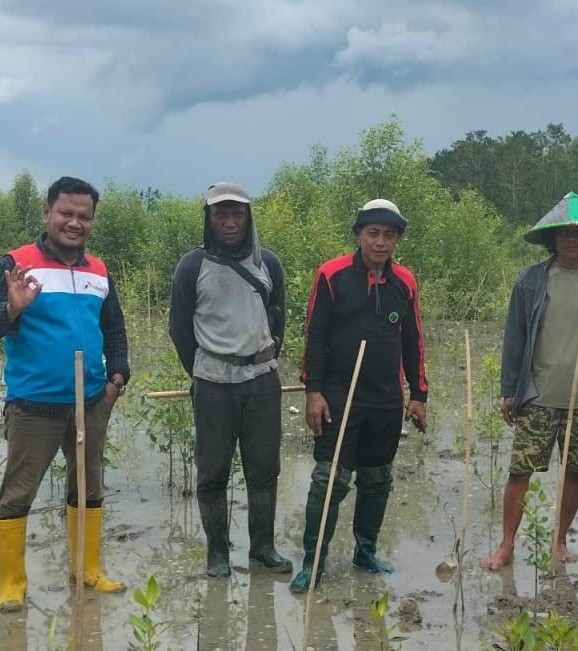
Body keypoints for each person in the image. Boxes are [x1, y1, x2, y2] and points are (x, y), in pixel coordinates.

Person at [0, 175, 130, 611]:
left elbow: (114, 331)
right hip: (34, 406)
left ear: (92, 222)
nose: (74, 223)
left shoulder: (99, 270)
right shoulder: (16, 265)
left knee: (89, 488)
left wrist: (117, 381)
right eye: (66, 213)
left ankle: (88, 571)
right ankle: (11, 584)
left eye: (84, 216)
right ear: (47, 213)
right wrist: (12, 307)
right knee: (18, 493)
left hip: (91, 402)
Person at [289, 198, 428, 592]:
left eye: (389, 235)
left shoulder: (405, 282)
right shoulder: (331, 275)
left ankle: (365, 552)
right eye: (373, 234)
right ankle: (312, 562)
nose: (380, 243)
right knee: (328, 479)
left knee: (377, 479)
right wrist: (313, 391)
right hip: (339, 395)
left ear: (397, 239)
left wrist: (418, 394)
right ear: (359, 235)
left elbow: (413, 340)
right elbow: (314, 336)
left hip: (385, 399)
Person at [481, 191, 578, 571]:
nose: (572, 240)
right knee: (520, 471)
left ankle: (559, 541)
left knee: (574, 469)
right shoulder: (530, 281)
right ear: (552, 240)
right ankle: (507, 544)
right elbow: (514, 338)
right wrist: (509, 390)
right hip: (538, 393)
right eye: (564, 234)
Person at [169, 181, 291, 577]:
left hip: (262, 382)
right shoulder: (192, 266)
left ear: (248, 217)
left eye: (237, 213)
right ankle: (217, 554)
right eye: (221, 213)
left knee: (263, 469)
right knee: (212, 472)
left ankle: (263, 548)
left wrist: (259, 358)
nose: (230, 221)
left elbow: (278, 320)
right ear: (209, 218)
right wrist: (204, 372)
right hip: (212, 384)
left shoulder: (268, 264)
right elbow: (180, 330)